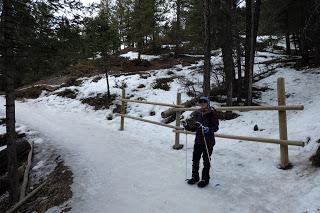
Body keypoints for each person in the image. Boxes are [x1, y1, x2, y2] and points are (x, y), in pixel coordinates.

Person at [183, 96, 219, 188]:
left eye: (204, 101)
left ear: (208, 103)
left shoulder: (212, 113)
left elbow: (216, 127)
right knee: (195, 159)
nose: (202, 103)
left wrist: (208, 129)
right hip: (198, 140)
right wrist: (188, 127)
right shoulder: (198, 113)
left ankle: (205, 179)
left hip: (208, 141)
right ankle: (195, 177)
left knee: (206, 161)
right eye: (200, 101)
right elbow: (196, 126)